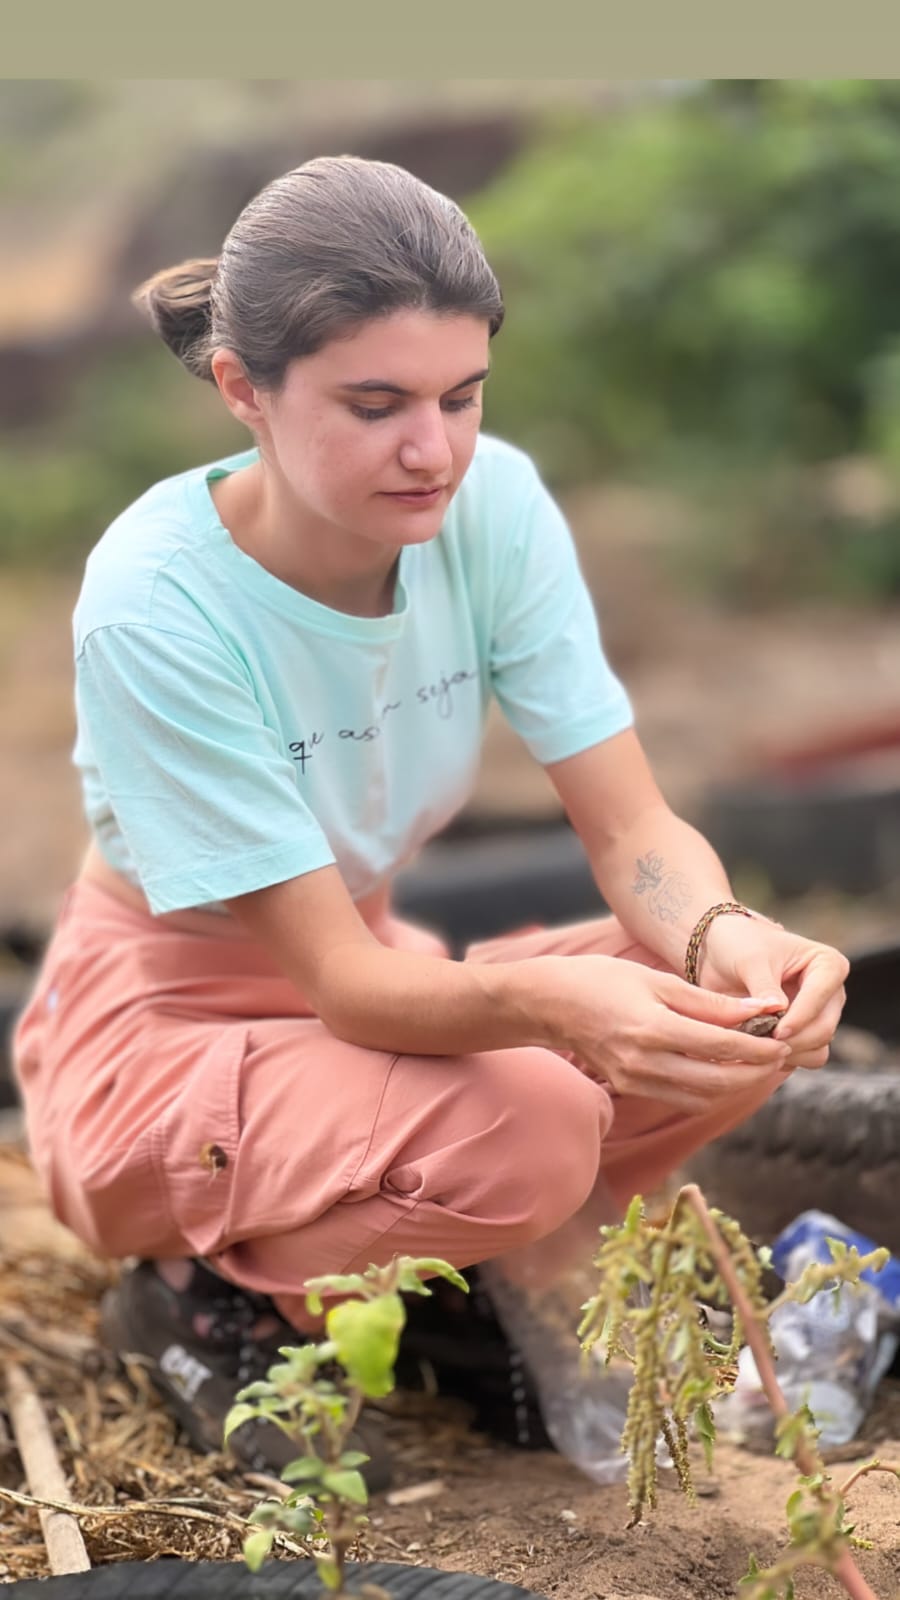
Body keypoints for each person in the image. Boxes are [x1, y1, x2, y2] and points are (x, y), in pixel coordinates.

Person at [13, 154, 848, 1488]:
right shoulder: (158, 606)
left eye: (462, 397)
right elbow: (341, 982)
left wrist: (726, 937)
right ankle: (204, 1292)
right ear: (244, 390)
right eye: (376, 403)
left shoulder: (492, 509)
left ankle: (456, 1279)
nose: (434, 449)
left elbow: (634, 834)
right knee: (529, 1122)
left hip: (375, 993)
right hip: (178, 1033)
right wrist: (561, 1013)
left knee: (724, 1022)